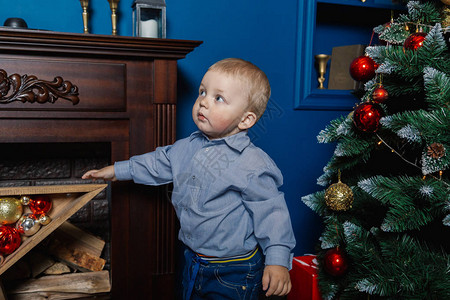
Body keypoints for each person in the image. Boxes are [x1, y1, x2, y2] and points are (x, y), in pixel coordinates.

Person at [82, 58, 296, 299]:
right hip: (193, 259)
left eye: (218, 98)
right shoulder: (185, 148)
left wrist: (277, 261)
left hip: (234, 270)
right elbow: (156, 163)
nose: (203, 101)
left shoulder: (252, 164)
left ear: (245, 120)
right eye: (202, 92)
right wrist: (117, 170)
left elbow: (273, 214)